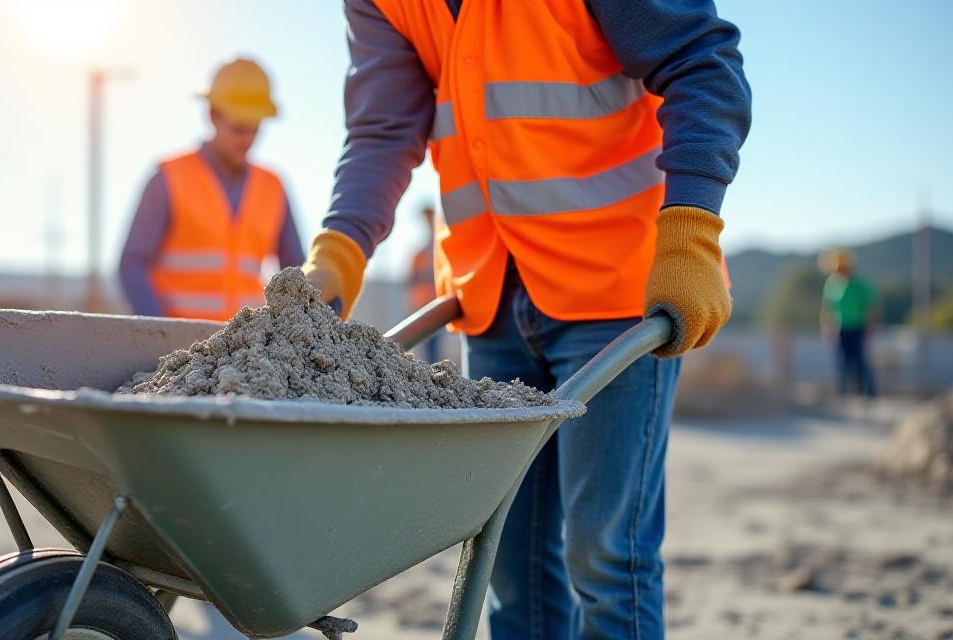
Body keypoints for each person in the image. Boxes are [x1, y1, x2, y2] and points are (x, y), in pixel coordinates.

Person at [300, 1, 751, 637]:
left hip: (614, 295)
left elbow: (702, 62)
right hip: (489, 296)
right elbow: (384, 130)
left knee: (607, 557)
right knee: (508, 562)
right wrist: (342, 248)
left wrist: (691, 227)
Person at [118, 58, 304, 321]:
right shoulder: (169, 178)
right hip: (181, 350)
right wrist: (159, 330)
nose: (248, 139)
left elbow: (296, 274)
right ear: (212, 115)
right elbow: (132, 265)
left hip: (247, 351)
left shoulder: (273, 186)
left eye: (255, 128)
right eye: (239, 127)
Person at [820, 249, 878, 397]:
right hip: (841, 328)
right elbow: (827, 308)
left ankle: (867, 392)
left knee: (860, 361)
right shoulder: (832, 284)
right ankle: (844, 392)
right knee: (842, 361)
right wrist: (826, 328)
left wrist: (870, 328)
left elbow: (871, 308)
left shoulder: (861, 285)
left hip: (858, 327)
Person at [408, 204, 442, 362]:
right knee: (425, 345)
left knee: (434, 346)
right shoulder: (420, 254)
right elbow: (413, 279)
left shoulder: (438, 251)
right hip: (422, 304)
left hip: (436, 304)